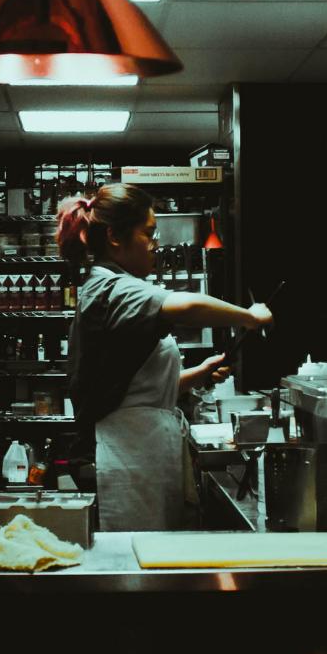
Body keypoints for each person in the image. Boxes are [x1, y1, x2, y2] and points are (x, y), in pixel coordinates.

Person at [56, 183, 273, 531]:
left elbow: (136, 392)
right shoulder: (114, 286)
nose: (155, 245)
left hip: (139, 448)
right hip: (127, 455)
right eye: (148, 233)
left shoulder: (111, 284)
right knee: (133, 564)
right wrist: (251, 315)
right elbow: (184, 306)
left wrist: (198, 374)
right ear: (114, 236)